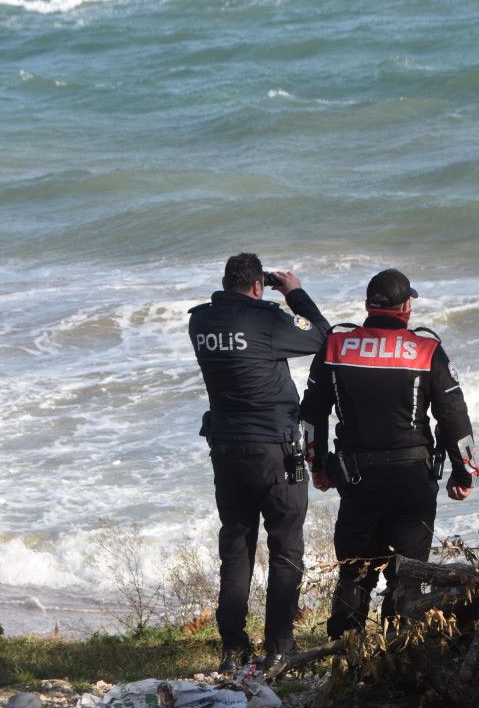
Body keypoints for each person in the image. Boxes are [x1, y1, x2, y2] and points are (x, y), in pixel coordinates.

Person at [299, 268, 477, 640]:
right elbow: (454, 417)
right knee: (407, 576)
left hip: (357, 481)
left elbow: (311, 415)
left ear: (367, 306)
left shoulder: (336, 346)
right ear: (407, 307)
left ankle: (344, 658)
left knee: (354, 573)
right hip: (412, 483)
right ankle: (400, 658)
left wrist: (317, 466)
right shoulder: (426, 349)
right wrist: (464, 474)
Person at [188, 253, 330, 674]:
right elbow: (322, 336)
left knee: (236, 545)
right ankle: (279, 648)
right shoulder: (267, 321)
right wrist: (294, 292)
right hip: (273, 450)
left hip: (226, 449)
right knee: (286, 546)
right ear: (257, 286)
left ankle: (233, 648)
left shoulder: (200, 322)